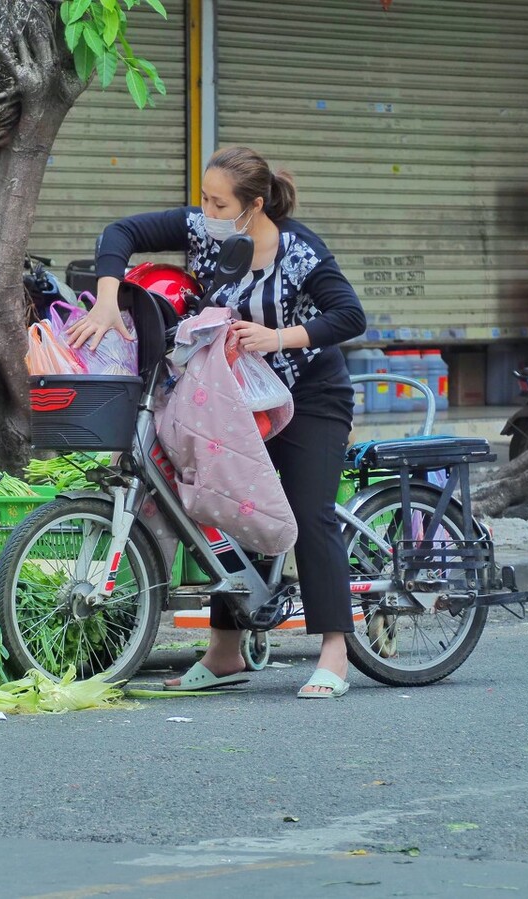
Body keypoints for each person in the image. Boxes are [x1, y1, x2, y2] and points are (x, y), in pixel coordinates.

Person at [68, 146, 367, 699]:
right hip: (237, 399)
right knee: (231, 505)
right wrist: (107, 300)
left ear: (252, 206)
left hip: (311, 395)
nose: (205, 209)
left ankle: (334, 654)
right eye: (204, 197)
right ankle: (224, 652)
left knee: (308, 511)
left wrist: (280, 337)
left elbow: (349, 315)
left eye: (217, 201)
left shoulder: (300, 252)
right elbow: (119, 232)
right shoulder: (206, 232)